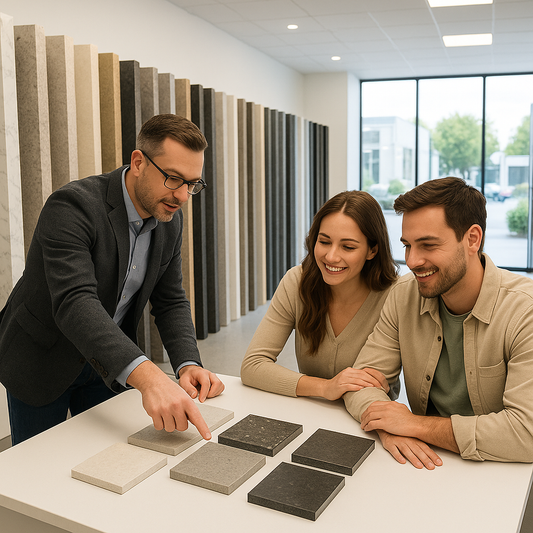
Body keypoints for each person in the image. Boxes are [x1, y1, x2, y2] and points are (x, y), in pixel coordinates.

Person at [0, 114, 224, 445]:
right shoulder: (72, 206)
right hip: (41, 358)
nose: (182, 197)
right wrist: (150, 378)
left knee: (106, 459)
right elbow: (76, 302)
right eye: (174, 179)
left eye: (192, 184)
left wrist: (188, 363)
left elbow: (170, 299)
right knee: (40, 469)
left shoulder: (169, 221)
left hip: (109, 361)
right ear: (138, 162)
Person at [344, 177, 533, 469]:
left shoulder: (524, 311)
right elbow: (360, 382)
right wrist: (385, 424)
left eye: (428, 245)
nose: (413, 261)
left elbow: (525, 433)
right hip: (427, 464)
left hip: (501, 474)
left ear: (472, 239)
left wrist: (414, 425)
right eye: (407, 245)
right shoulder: (403, 296)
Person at [241, 190, 398, 400]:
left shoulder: (395, 296)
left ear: (372, 250)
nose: (331, 256)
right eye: (324, 242)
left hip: (367, 419)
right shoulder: (296, 282)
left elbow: (370, 388)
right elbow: (252, 365)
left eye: (348, 247)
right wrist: (326, 388)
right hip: (313, 414)